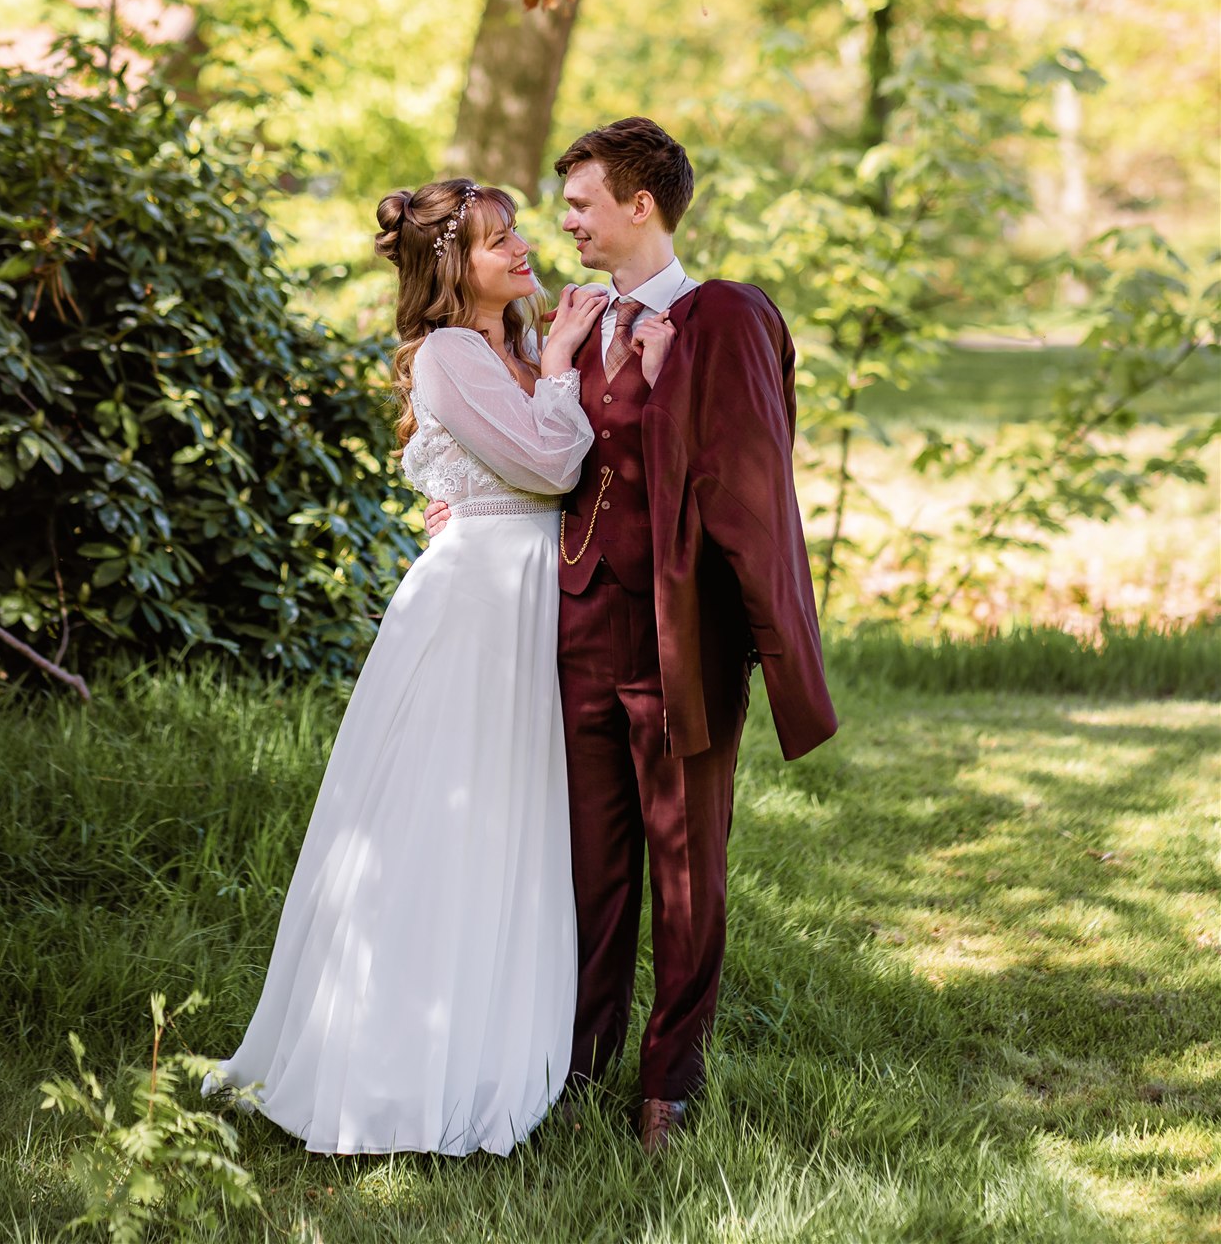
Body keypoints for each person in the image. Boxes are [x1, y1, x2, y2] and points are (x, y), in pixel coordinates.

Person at [425, 118, 837, 1154]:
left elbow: (748, 483)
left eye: (579, 202)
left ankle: (668, 1082)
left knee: (686, 866)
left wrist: (772, 649)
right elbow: (525, 448)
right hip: (572, 634)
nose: (561, 219)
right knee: (591, 870)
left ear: (639, 204)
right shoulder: (562, 319)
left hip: (678, 642)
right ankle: (577, 1062)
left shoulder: (722, 317)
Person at [205, 179, 604, 1156]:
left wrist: (546, 358)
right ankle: (400, 1063)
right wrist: (557, 360)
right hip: (476, 609)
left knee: (506, 821)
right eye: (494, 240)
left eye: (515, 233)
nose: (519, 249)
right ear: (448, 266)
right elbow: (552, 466)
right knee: (445, 818)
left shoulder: (500, 347)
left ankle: (490, 1035)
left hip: (521, 594)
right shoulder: (454, 354)